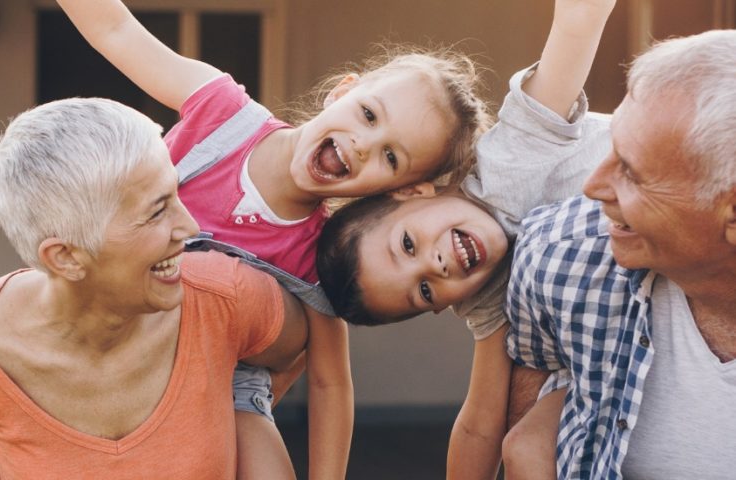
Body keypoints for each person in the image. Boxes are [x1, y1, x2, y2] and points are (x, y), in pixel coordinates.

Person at [30, 2, 493, 478]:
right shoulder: (223, 114)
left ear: (400, 191)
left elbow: (331, 383)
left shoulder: (321, 256)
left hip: (222, 388)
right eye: (369, 114)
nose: (362, 144)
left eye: (391, 157)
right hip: (108, 342)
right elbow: (116, 29)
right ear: (343, 91)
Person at [0, 98, 309, 479]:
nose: (190, 226)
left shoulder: (227, 298)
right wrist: (6, 455)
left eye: (175, 195)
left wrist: (239, 416)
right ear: (65, 257)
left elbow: (298, 347)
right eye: (156, 212)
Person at [314, 1, 616, 477]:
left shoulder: (509, 157)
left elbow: (575, 30)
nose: (434, 266)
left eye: (408, 245)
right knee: (528, 446)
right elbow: (480, 421)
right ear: (439, 308)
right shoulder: (486, 299)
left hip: (699, 164)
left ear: (411, 192)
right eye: (425, 291)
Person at [502, 29, 736, 479]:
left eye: (631, 172)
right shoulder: (558, 256)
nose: (593, 187)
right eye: (612, 146)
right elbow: (532, 391)